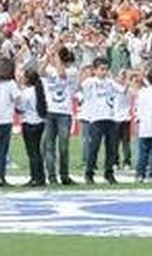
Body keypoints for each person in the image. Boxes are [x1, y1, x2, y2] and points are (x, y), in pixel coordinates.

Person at [80, 58, 123, 184]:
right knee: (94, 148)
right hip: (96, 119)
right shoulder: (90, 82)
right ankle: (89, 173)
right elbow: (81, 85)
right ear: (95, 70)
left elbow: (122, 90)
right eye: (101, 69)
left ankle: (109, 173)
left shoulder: (110, 82)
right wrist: (85, 72)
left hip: (111, 118)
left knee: (111, 149)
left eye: (106, 69)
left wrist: (126, 78)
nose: (104, 72)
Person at [40, 45, 77, 186]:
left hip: (64, 112)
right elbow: (40, 72)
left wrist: (56, 56)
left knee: (63, 146)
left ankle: (64, 175)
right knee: (49, 146)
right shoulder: (50, 70)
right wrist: (47, 57)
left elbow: (61, 74)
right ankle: (51, 176)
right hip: (50, 111)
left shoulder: (72, 71)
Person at [0, 58, 20, 187]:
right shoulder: (11, 83)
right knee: (3, 148)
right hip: (6, 117)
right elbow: (17, 97)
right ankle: (0, 177)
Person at [19, 68, 48, 187]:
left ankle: (35, 177)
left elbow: (21, 108)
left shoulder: (26, 92)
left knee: (32, 152)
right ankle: (40, 176)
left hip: (29, 122)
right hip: (40, 122)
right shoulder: (39, 90)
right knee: (37, 151)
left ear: (27, 79)